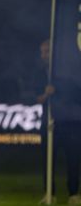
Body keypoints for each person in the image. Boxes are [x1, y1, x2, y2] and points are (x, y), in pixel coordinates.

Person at [35, 40, 81, 205]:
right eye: (42, 52)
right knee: (48, 159)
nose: (44, 56)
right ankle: (49, 193)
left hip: (70, 121)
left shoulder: (69, 73)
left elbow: (77, 94)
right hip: (49, 122)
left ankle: (74, 193)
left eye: (47, 52)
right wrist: (45, 94)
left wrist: (58, 88)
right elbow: (36, 98)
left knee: (73, 159)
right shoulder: (40, 73)